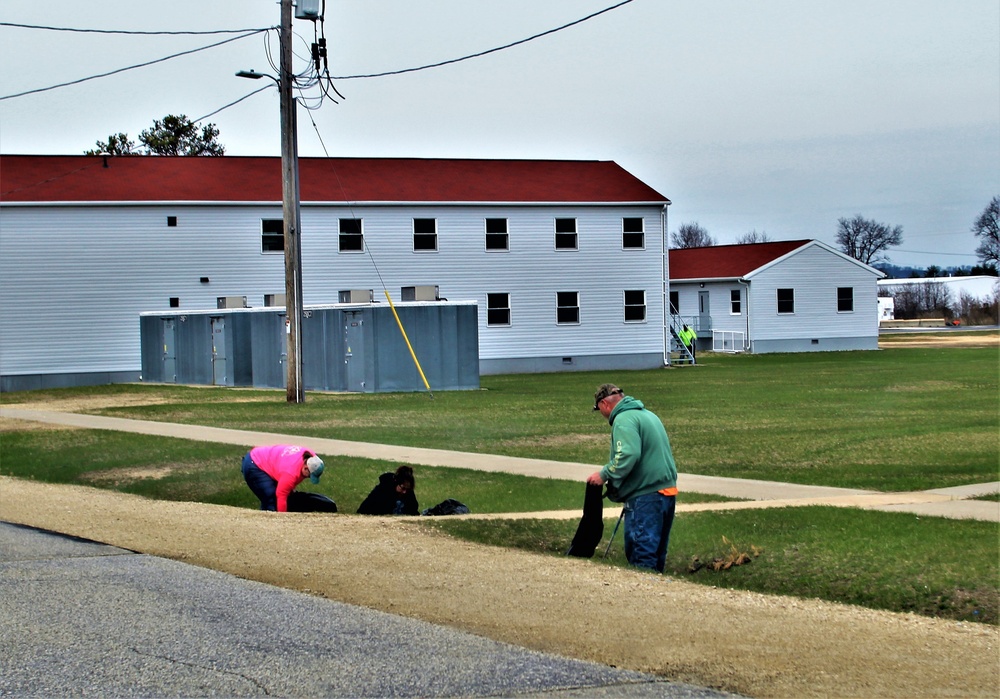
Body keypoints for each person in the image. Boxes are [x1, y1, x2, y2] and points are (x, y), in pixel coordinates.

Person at [586, 383, 678, 573]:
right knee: (657, 553)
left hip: (646, 496)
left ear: (604, 404)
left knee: (642, 554)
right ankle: (657, 596)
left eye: (599, 409)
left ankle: (643, 598)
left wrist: (603, 475)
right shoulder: (647, 415)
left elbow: (628, 454)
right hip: (666, 493)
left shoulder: (623, 419)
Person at [241, 444, 325, 512]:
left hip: (265, 457)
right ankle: (268, 524)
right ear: (306, 468)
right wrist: (283, 520)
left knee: (286, 494)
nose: (308, 478)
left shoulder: (311, 457)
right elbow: (281, 496)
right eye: (309, 475)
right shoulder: (290, 473)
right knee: (270, 497)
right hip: (254, 464)